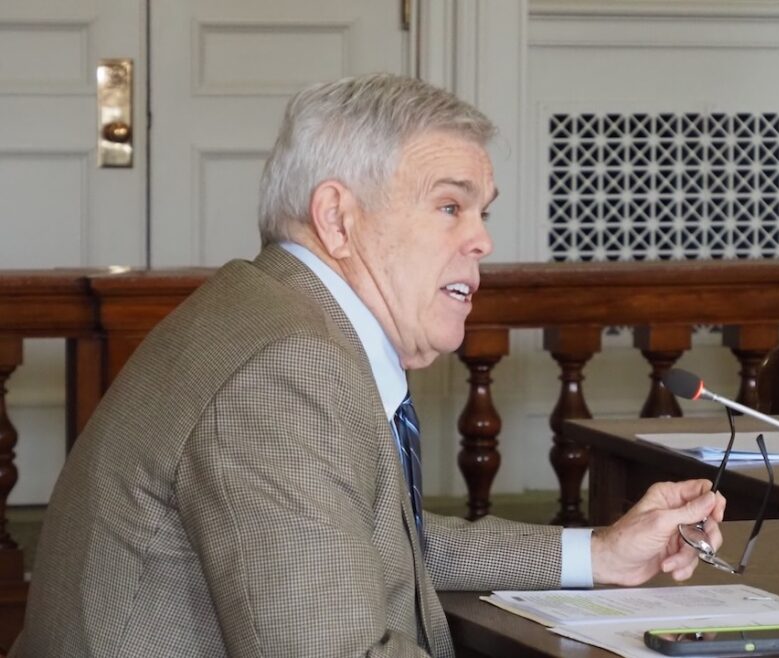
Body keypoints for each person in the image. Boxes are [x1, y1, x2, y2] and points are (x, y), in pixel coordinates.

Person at [11, 74, 725, 657]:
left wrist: (601, 553)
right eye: (450, 206)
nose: (481, 240)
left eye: (482, 212)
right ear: (338, 219)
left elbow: (367, 541)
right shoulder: (286, 368)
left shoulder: (272, 315)